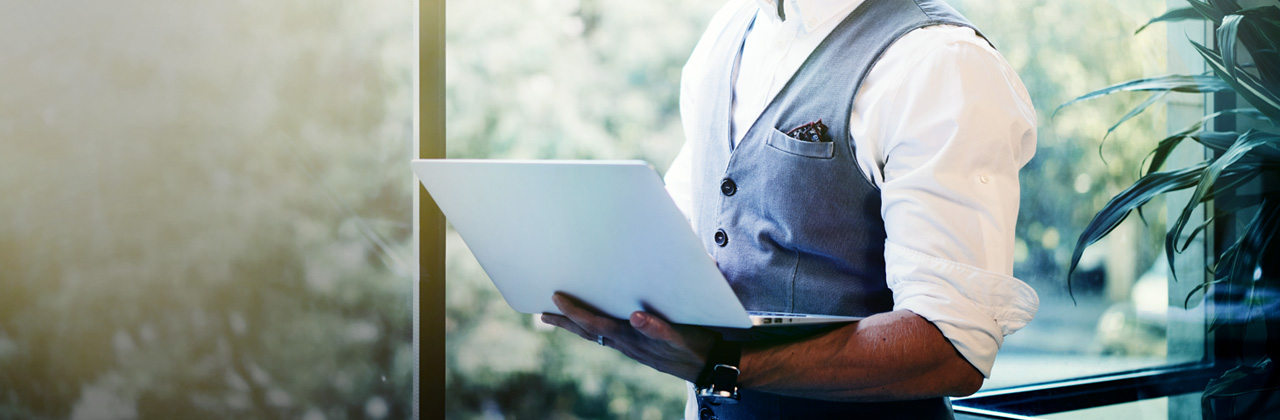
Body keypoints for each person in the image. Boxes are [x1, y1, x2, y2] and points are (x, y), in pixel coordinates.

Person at [541, 0, 1039, 418]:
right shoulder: (728, 31)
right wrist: (595, 276)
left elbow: (950, 347)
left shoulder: (942, 62)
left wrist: (726, 363)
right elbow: (693, 220)